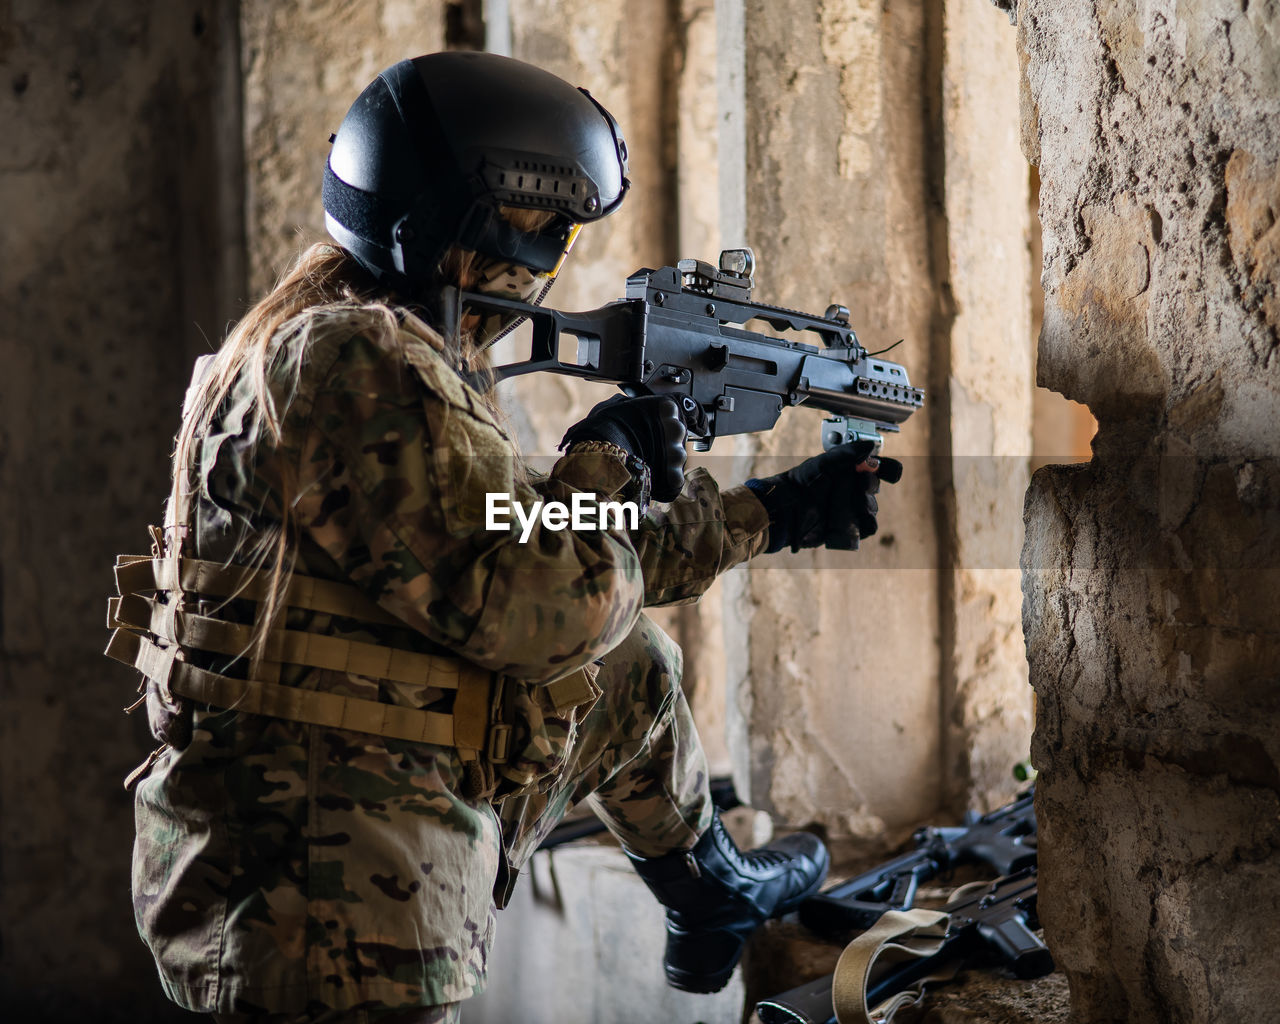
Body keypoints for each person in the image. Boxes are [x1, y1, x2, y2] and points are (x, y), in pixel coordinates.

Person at [110, 52, 896, 1023]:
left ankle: (710, 890)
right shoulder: (361, 364)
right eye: (547, 232)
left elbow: (497, 533)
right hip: (325, 906)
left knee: (629, 671)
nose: (551, 263)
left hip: (292, 865)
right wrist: (603, 462)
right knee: (598, 645)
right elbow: (551, 605)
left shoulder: (310, 341)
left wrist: (770, 512)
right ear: (469, 228)